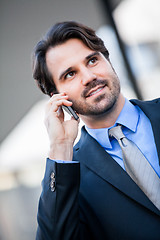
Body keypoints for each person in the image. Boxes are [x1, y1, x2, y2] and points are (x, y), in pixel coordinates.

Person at [32, 21, 160, 240]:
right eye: (70, 74)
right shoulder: (69, 177)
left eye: (92, 60)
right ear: (57, 96)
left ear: (109, 61)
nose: (89, 77)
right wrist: (60, 147)